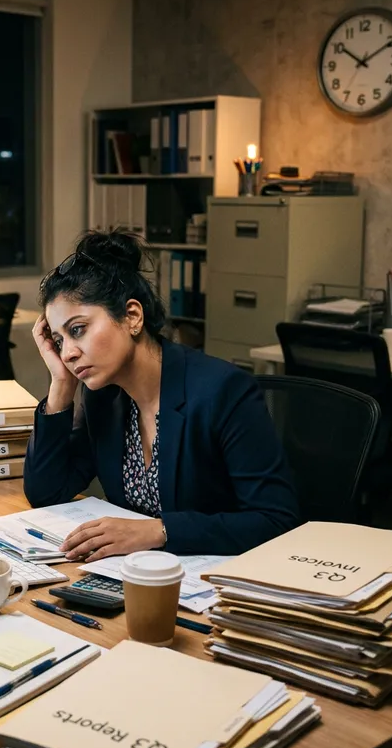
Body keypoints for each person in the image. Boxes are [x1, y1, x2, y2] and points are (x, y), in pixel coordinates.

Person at [24, 229, 299, 560]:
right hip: (139, 575)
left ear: (132, 317)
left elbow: (276, 521)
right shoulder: (104, 397)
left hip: (219, 583)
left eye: (77, 330)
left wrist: (159, 530)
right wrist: (61, 386)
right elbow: (47, 493)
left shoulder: (223, 391)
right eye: (58, 340)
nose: (67, 352)